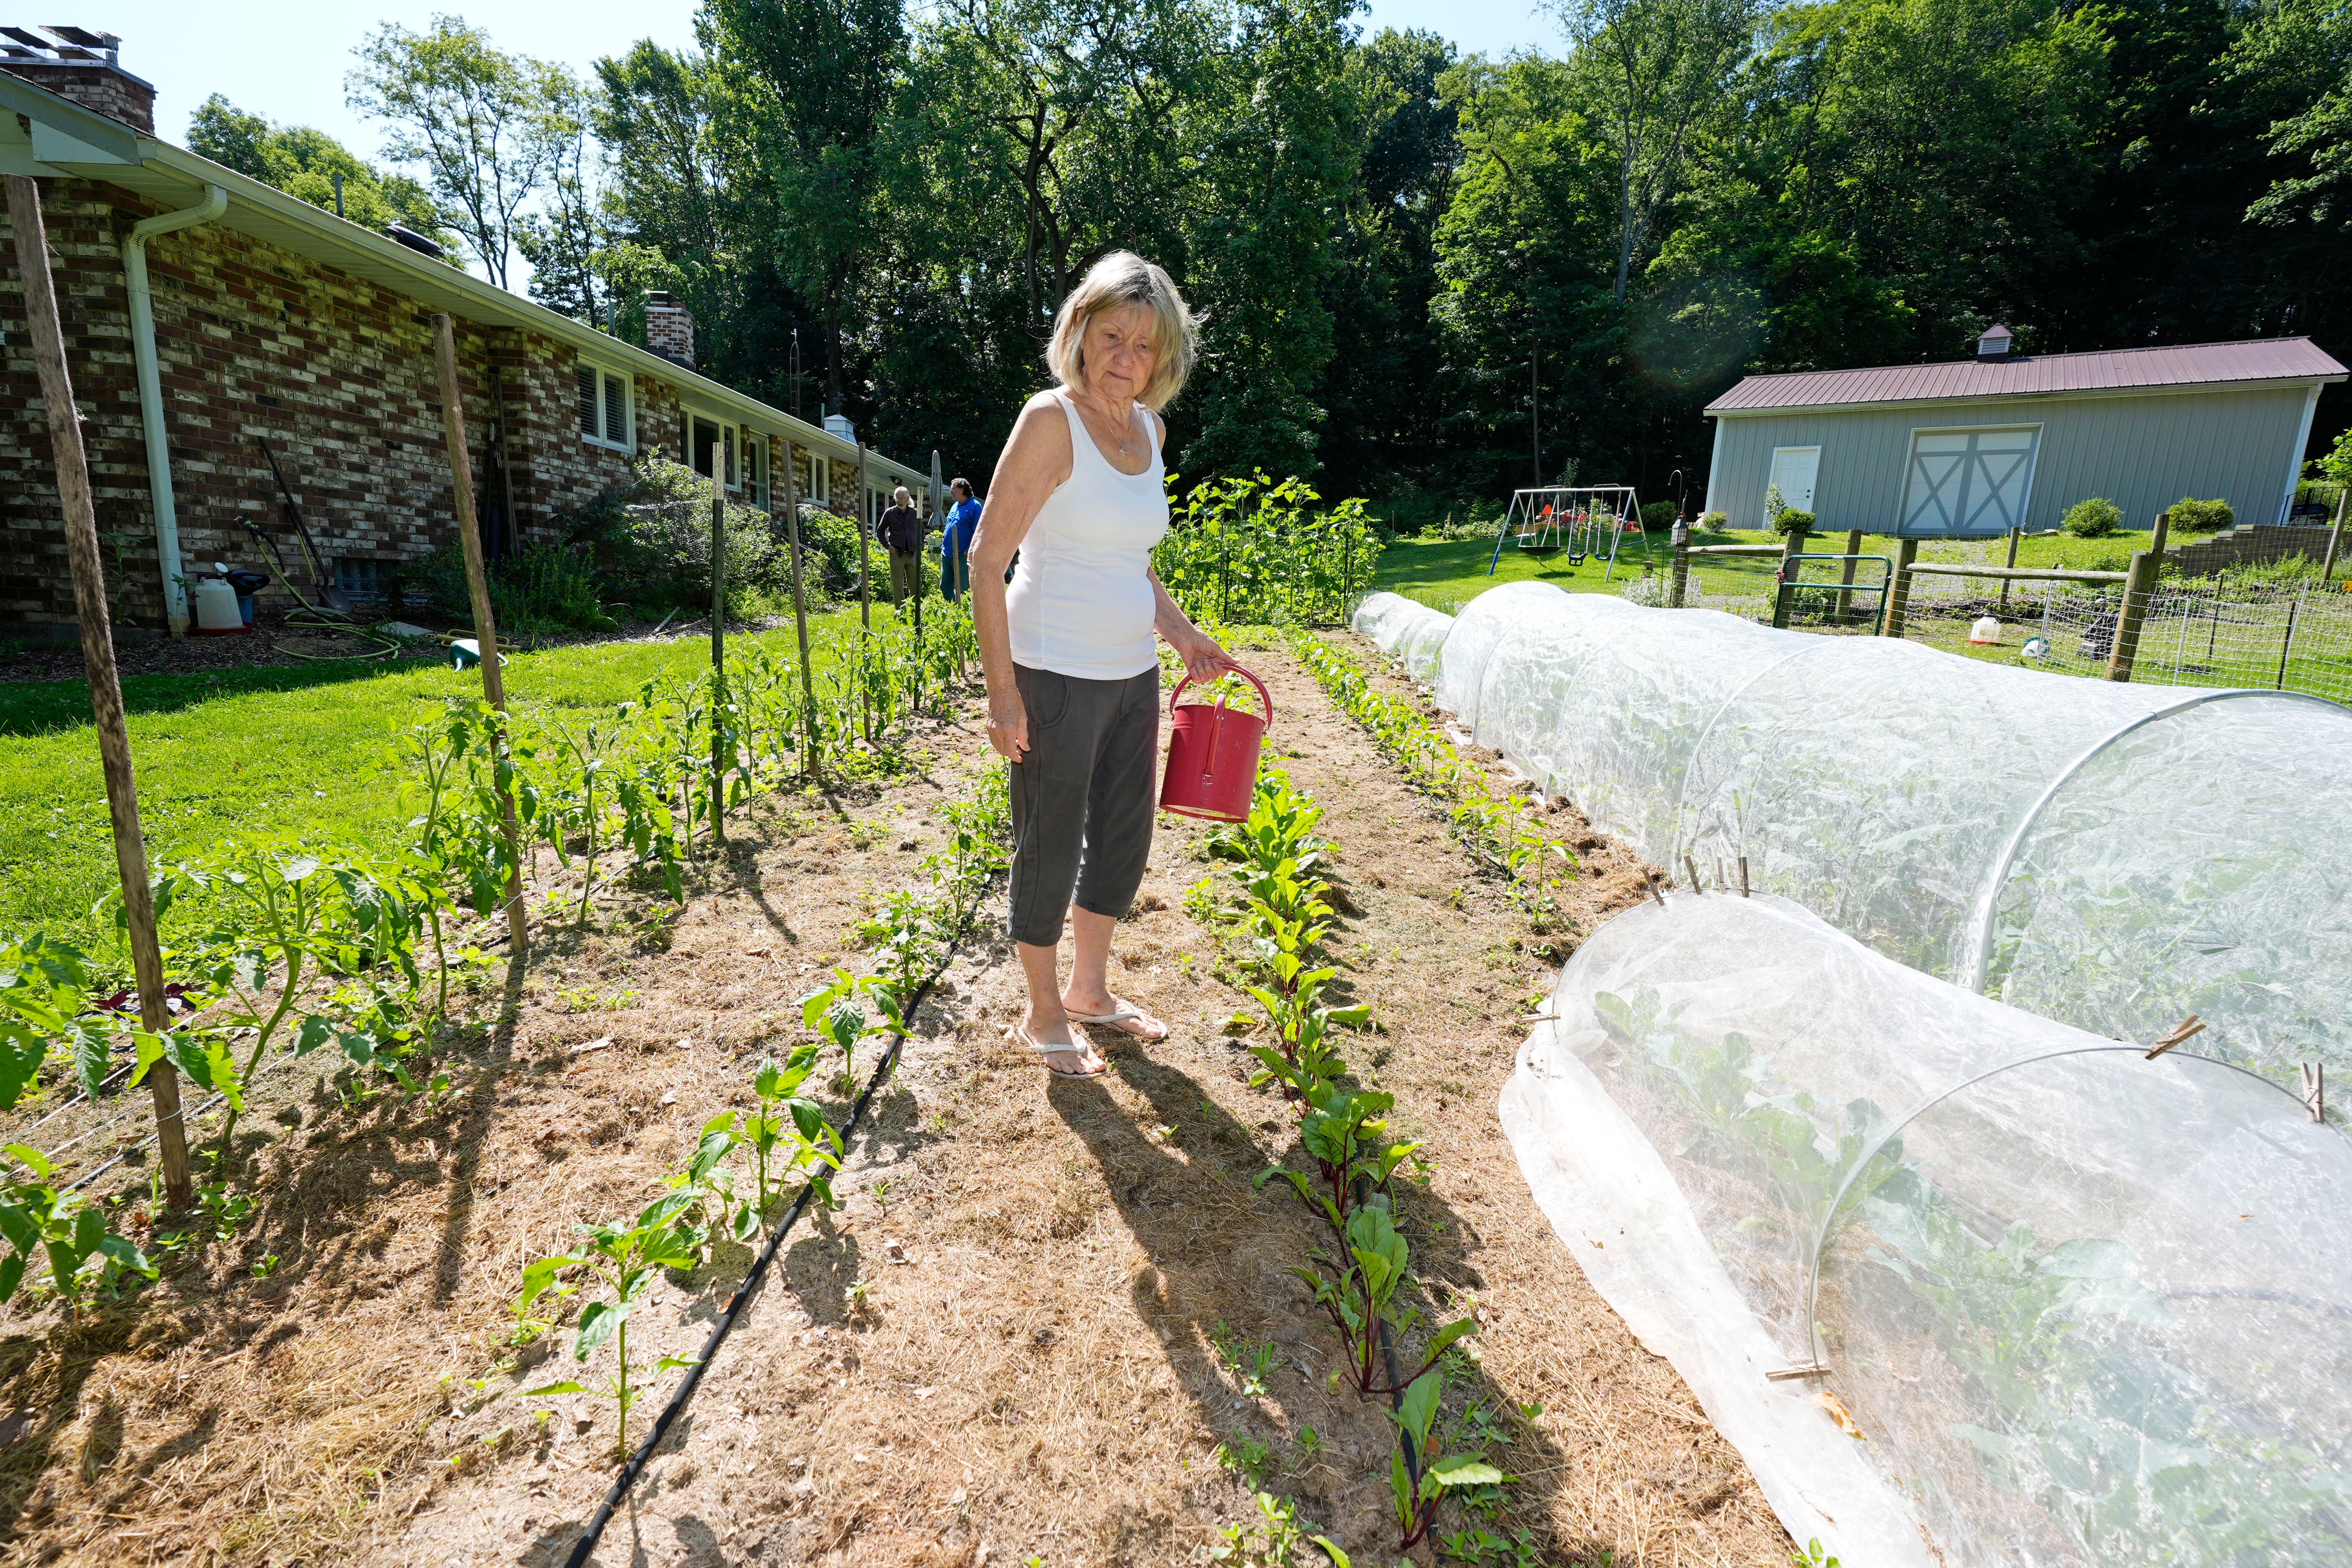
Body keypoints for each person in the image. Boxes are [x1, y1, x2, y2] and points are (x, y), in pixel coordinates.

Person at [970, 250, 1233, 1079]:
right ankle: (1042, 1011)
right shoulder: (1052, 420)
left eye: (1145, 344)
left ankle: (1090, 989)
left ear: (1165, 359)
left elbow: (1129, 559)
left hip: (1132, 675)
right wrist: (1002, 692)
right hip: (1052, 672)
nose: (1126, 356)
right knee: (1049, 842)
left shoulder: (1149, 431)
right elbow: (985, 557)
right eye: (1111, 335)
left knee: (1122, 837)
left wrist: (1182, 632)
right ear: (1079, 332)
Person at [878, 485, 924, 606]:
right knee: (897, 585)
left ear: (908, 499)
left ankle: (915, 611)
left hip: (913, 554)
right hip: (896, 554)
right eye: (897, 498)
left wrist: (920, 549)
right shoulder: (890, 513)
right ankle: (901, 611)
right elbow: (880, 531)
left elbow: (922, 533)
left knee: (915, 584)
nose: (899, 501)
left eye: (902, 498)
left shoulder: (915, 513)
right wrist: (888, 547)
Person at [939, 478, 980, 601]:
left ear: (962, 490)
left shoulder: (975, 507)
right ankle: (953, 611)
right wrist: (943, 543)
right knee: (945, 586)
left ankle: (967, 615)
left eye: (954, 489)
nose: (951, 492)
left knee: (965, 588)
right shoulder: (955, 506)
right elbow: (949, 526)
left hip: (963, 555)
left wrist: (968, 550)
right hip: (947, 554)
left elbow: (979, 531)